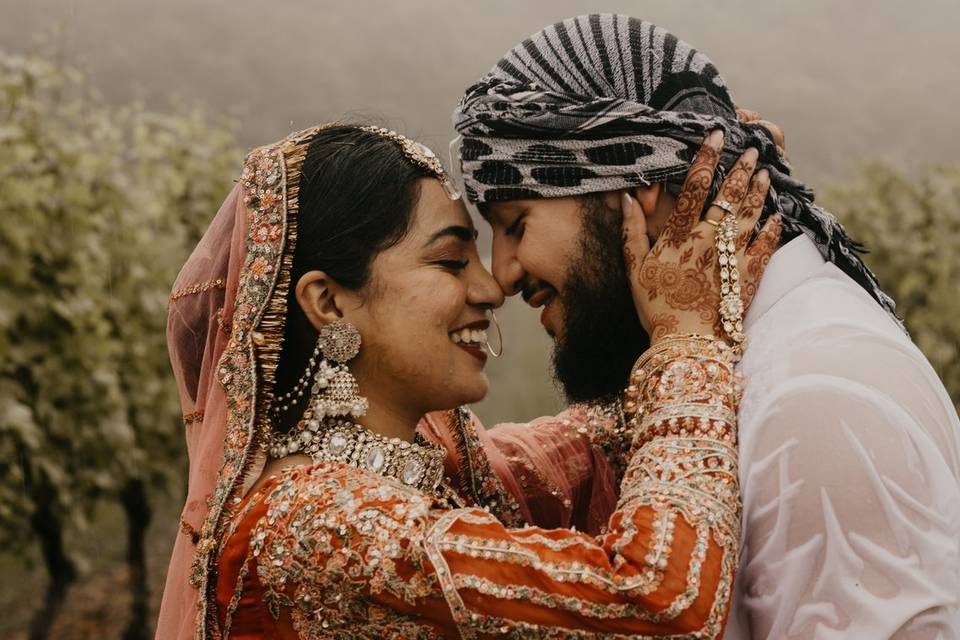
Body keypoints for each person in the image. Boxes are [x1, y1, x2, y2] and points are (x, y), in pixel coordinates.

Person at [156, 122, 777, 638]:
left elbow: (596, 440)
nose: (490, 287)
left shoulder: (441, 466)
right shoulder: (316, 524)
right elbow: (654, 599)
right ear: (329, 302)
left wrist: (691, 159)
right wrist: (687, 343)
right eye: (452, 260)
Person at [451, 14, 960, 639]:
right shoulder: (747, 361)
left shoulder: (812, 396)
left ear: (640, 189)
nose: (502, 274)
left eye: (516, 223)